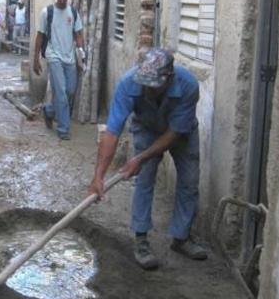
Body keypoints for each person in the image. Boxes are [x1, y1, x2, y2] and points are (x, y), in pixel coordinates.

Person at [87, 48, 207, 269]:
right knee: (145, 179)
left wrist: (140, 158)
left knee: (189, 182)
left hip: (180, 132)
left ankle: (181, 237)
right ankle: (141, 239)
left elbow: (174, 134)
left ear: (169, 78)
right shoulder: (128, 83)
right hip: (146, 127)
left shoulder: (189, 85)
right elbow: (112, 132)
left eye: (154, 85)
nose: (148, 90)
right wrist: (98, 176)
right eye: (145, 85)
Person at [33, 0, 84, 141]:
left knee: (70, 91)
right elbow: (40, 36)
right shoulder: (47, 12)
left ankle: (49, 111)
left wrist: (81, 53)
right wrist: (36, 59)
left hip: (69, 57)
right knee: (61, 92)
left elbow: (79, 34)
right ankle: (63, 129)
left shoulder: (73, 13)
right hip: (53, 56)